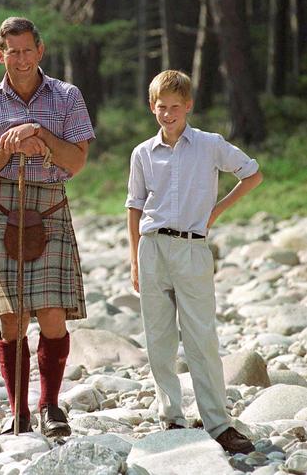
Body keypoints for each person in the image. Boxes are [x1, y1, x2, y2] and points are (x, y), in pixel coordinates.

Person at [0, 17, 94, 437]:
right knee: (11, 319)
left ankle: (50, 407)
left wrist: (39, 133)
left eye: (26, 50)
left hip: (51, 206)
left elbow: (75, 162)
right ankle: (17, 411)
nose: (19, 59)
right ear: (0, 54)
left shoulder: (68, 96)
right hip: (2, 206)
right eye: (11, 51)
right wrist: (8, 146)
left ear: (41, 50)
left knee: (52, 314)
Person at [126, 70, 263, 454]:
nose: (167, 114)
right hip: (152, 249)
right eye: (160, 107)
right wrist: (134, 259)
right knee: (159, 339)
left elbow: (252, 174)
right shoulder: (142, 153)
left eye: (174, 107)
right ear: (152, 107)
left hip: (192, 249)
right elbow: (135, 207)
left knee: (201, 338)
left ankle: (219, 423)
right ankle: (170, 417)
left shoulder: (209, 144)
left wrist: (216, 212)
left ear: (188, 106)